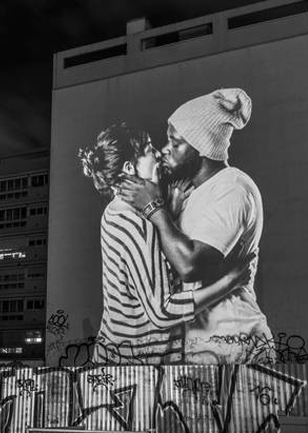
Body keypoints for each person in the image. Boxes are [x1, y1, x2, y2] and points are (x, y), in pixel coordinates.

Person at [118, 88, 275, 364]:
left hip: (235, 343)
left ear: (201, 148)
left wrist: (154, 208)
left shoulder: (232, 188)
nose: (165, 150)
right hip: (203, 346)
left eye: (176, 143)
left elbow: (190, 266)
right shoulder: (194, 192)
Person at [78, 122, 254, 364]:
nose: (158, 153)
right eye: (149, 149)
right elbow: (162, 312)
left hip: (129, 362)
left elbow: (149, 272)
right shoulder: (133, 222)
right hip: (137, 367)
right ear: (130, 167)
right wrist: (230, 282)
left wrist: (168, 211)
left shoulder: (117, 212)